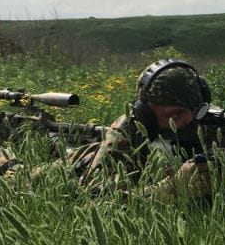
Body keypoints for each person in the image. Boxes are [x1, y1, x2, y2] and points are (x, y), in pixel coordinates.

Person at [69, 58, 215, 203]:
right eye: (176, 114)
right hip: (78, 162)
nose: (189, 119)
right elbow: (98, 199)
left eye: (196, 109)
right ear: (146, 113)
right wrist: (169, 190)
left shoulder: (207, 119)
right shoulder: (129, 129)